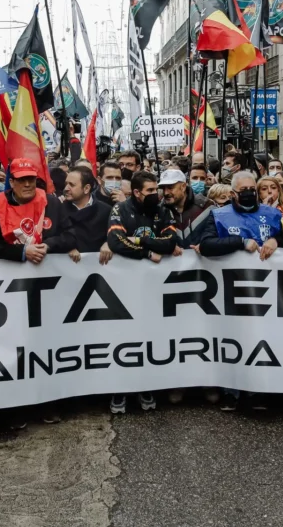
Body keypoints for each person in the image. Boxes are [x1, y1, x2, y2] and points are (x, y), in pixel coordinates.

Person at [189, 171, 283, 411]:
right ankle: (231, 391)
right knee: (232, 339)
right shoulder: (218, 215)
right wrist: (240, 243)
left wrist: (277, 241)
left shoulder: (273, 215)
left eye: (253, 189)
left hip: (265, 292)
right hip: (229, 290)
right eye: (244, 190)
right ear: (233, 194)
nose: (250, 193)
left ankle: (259, 392)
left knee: (261, 339)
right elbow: (207, 245)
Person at [106, 170, 179, 413]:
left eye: (156, 189)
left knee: (150, 336)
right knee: (125, 338)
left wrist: (138, 241)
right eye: (149, 191)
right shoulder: (121, 210)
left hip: (154, 288)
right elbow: (116, 240)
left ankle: (146, 386)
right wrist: (147, 252)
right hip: (124, 286)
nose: (155, 194)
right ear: (136, 192)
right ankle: (120, 390)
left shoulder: (161, 210)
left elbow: (169, 243)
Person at [61, 167, 113, 256]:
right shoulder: (60, 209)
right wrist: (66, 247)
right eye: (66, 184)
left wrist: (109, 243)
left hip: (98, 267)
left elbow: (115, 235)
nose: (66, 188)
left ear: (86, 188)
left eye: (71, 185)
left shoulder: (106, 211)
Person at [159, 168, 209, 246]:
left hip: (203, 257)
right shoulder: (160, 210)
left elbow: (219, 234)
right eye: (163, 188)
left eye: (170, 188)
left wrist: (206, 245)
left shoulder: (206, 205)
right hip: (172, 258)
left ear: (183, 187)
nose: (165, 193)